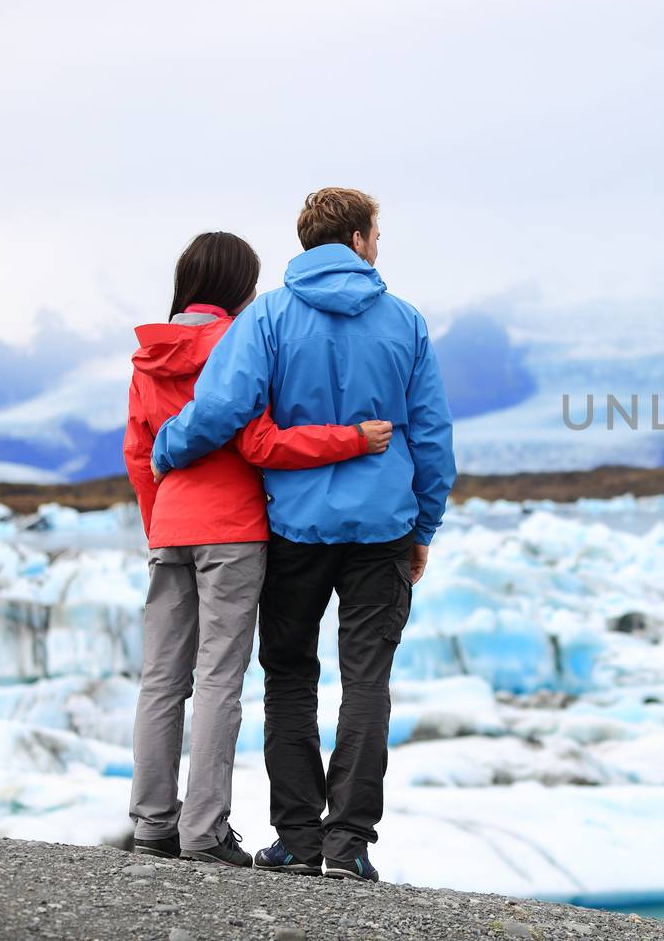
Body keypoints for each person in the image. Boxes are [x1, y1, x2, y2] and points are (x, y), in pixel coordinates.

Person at [151, 188, 456, 883]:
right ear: (354, 238)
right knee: (367, 679)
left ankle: (296, 837)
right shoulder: (405, 322)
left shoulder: (268, 316)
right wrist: (423, 525)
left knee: (289, 675)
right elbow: (433, 437)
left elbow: (224, 405)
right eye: (377, 233)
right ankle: (349, 842)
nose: (380, 245)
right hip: (383, 528)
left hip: (294, 528)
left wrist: (168, 447)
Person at [123, 230, 394, 868]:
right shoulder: (241, 341)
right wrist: (352, 440)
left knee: (160, 680)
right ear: (244, 287)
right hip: (234, 530)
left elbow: (139, 453)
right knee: (219, 678)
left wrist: (157, 524)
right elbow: (261, 442)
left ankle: (150, 824)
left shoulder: (147, 355)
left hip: (171, 528)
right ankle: (203, 832)